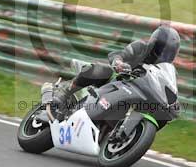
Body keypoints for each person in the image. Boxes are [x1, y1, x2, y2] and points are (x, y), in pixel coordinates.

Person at [48, 25, 181, 107]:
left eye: (169, 52)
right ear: (154, 44)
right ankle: (66, 90)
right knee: (103, 70)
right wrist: (119, 63)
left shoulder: (166, 70)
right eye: (163, 50)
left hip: (137, 94)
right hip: (117, 82)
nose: (165, 55)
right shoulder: (140, 47)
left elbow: (168, 88)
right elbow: (119, 54)